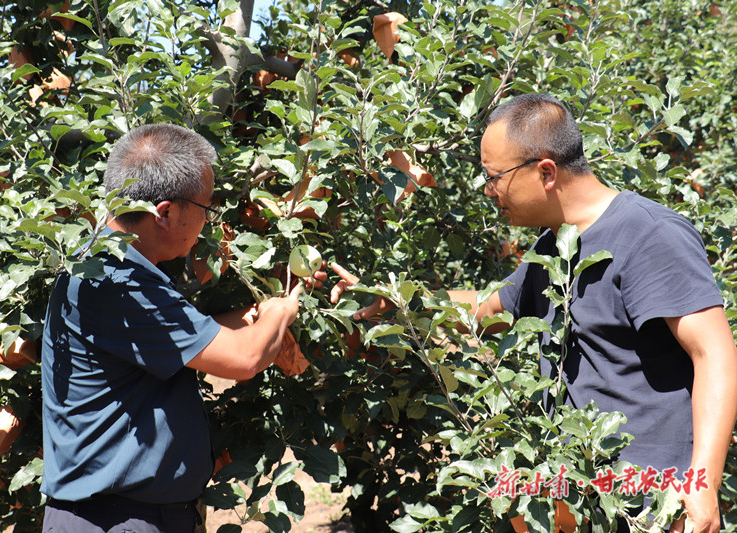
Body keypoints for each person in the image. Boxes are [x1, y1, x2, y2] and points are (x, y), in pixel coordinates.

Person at [330, 94, 737, 533]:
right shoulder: (554, 247)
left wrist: (703, 482)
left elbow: (714, 354)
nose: (489, 191)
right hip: (579, 499)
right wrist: (397, 299)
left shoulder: (650, 235)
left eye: (495, 177)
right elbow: (486, 310)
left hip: (652, 504)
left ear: (545, 171)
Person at [40, 124, 309, 532]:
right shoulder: (119, 282)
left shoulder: (104, 265)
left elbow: (192, 338)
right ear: (165, 212)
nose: (207, 223)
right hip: (117, 521)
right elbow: (245, 357)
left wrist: (264, 313)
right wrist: (283, 309)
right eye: (205, 209)